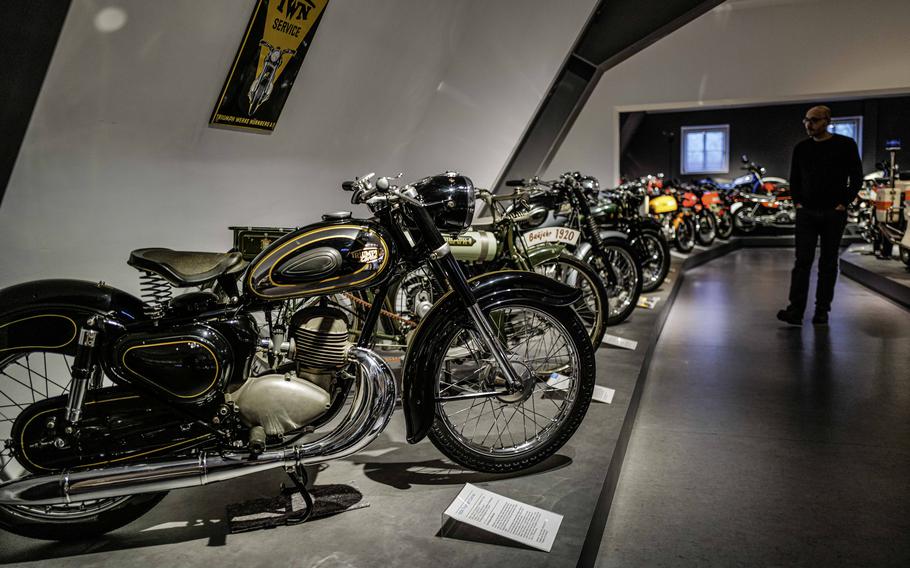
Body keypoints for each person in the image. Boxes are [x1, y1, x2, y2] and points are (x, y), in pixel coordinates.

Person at [777, 105, 862, 326]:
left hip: (833, 213)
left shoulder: (845, 145)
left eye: (814, 120)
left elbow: (857, 177)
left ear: (826, 121)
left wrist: (844, 203)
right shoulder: (801, 148)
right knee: (802, 262)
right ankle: (796, 310)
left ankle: (822, 311)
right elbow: (794, 179)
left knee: (828, 263)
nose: (808, 124)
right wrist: (798, 204)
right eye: (806, 120)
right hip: (807, 213)